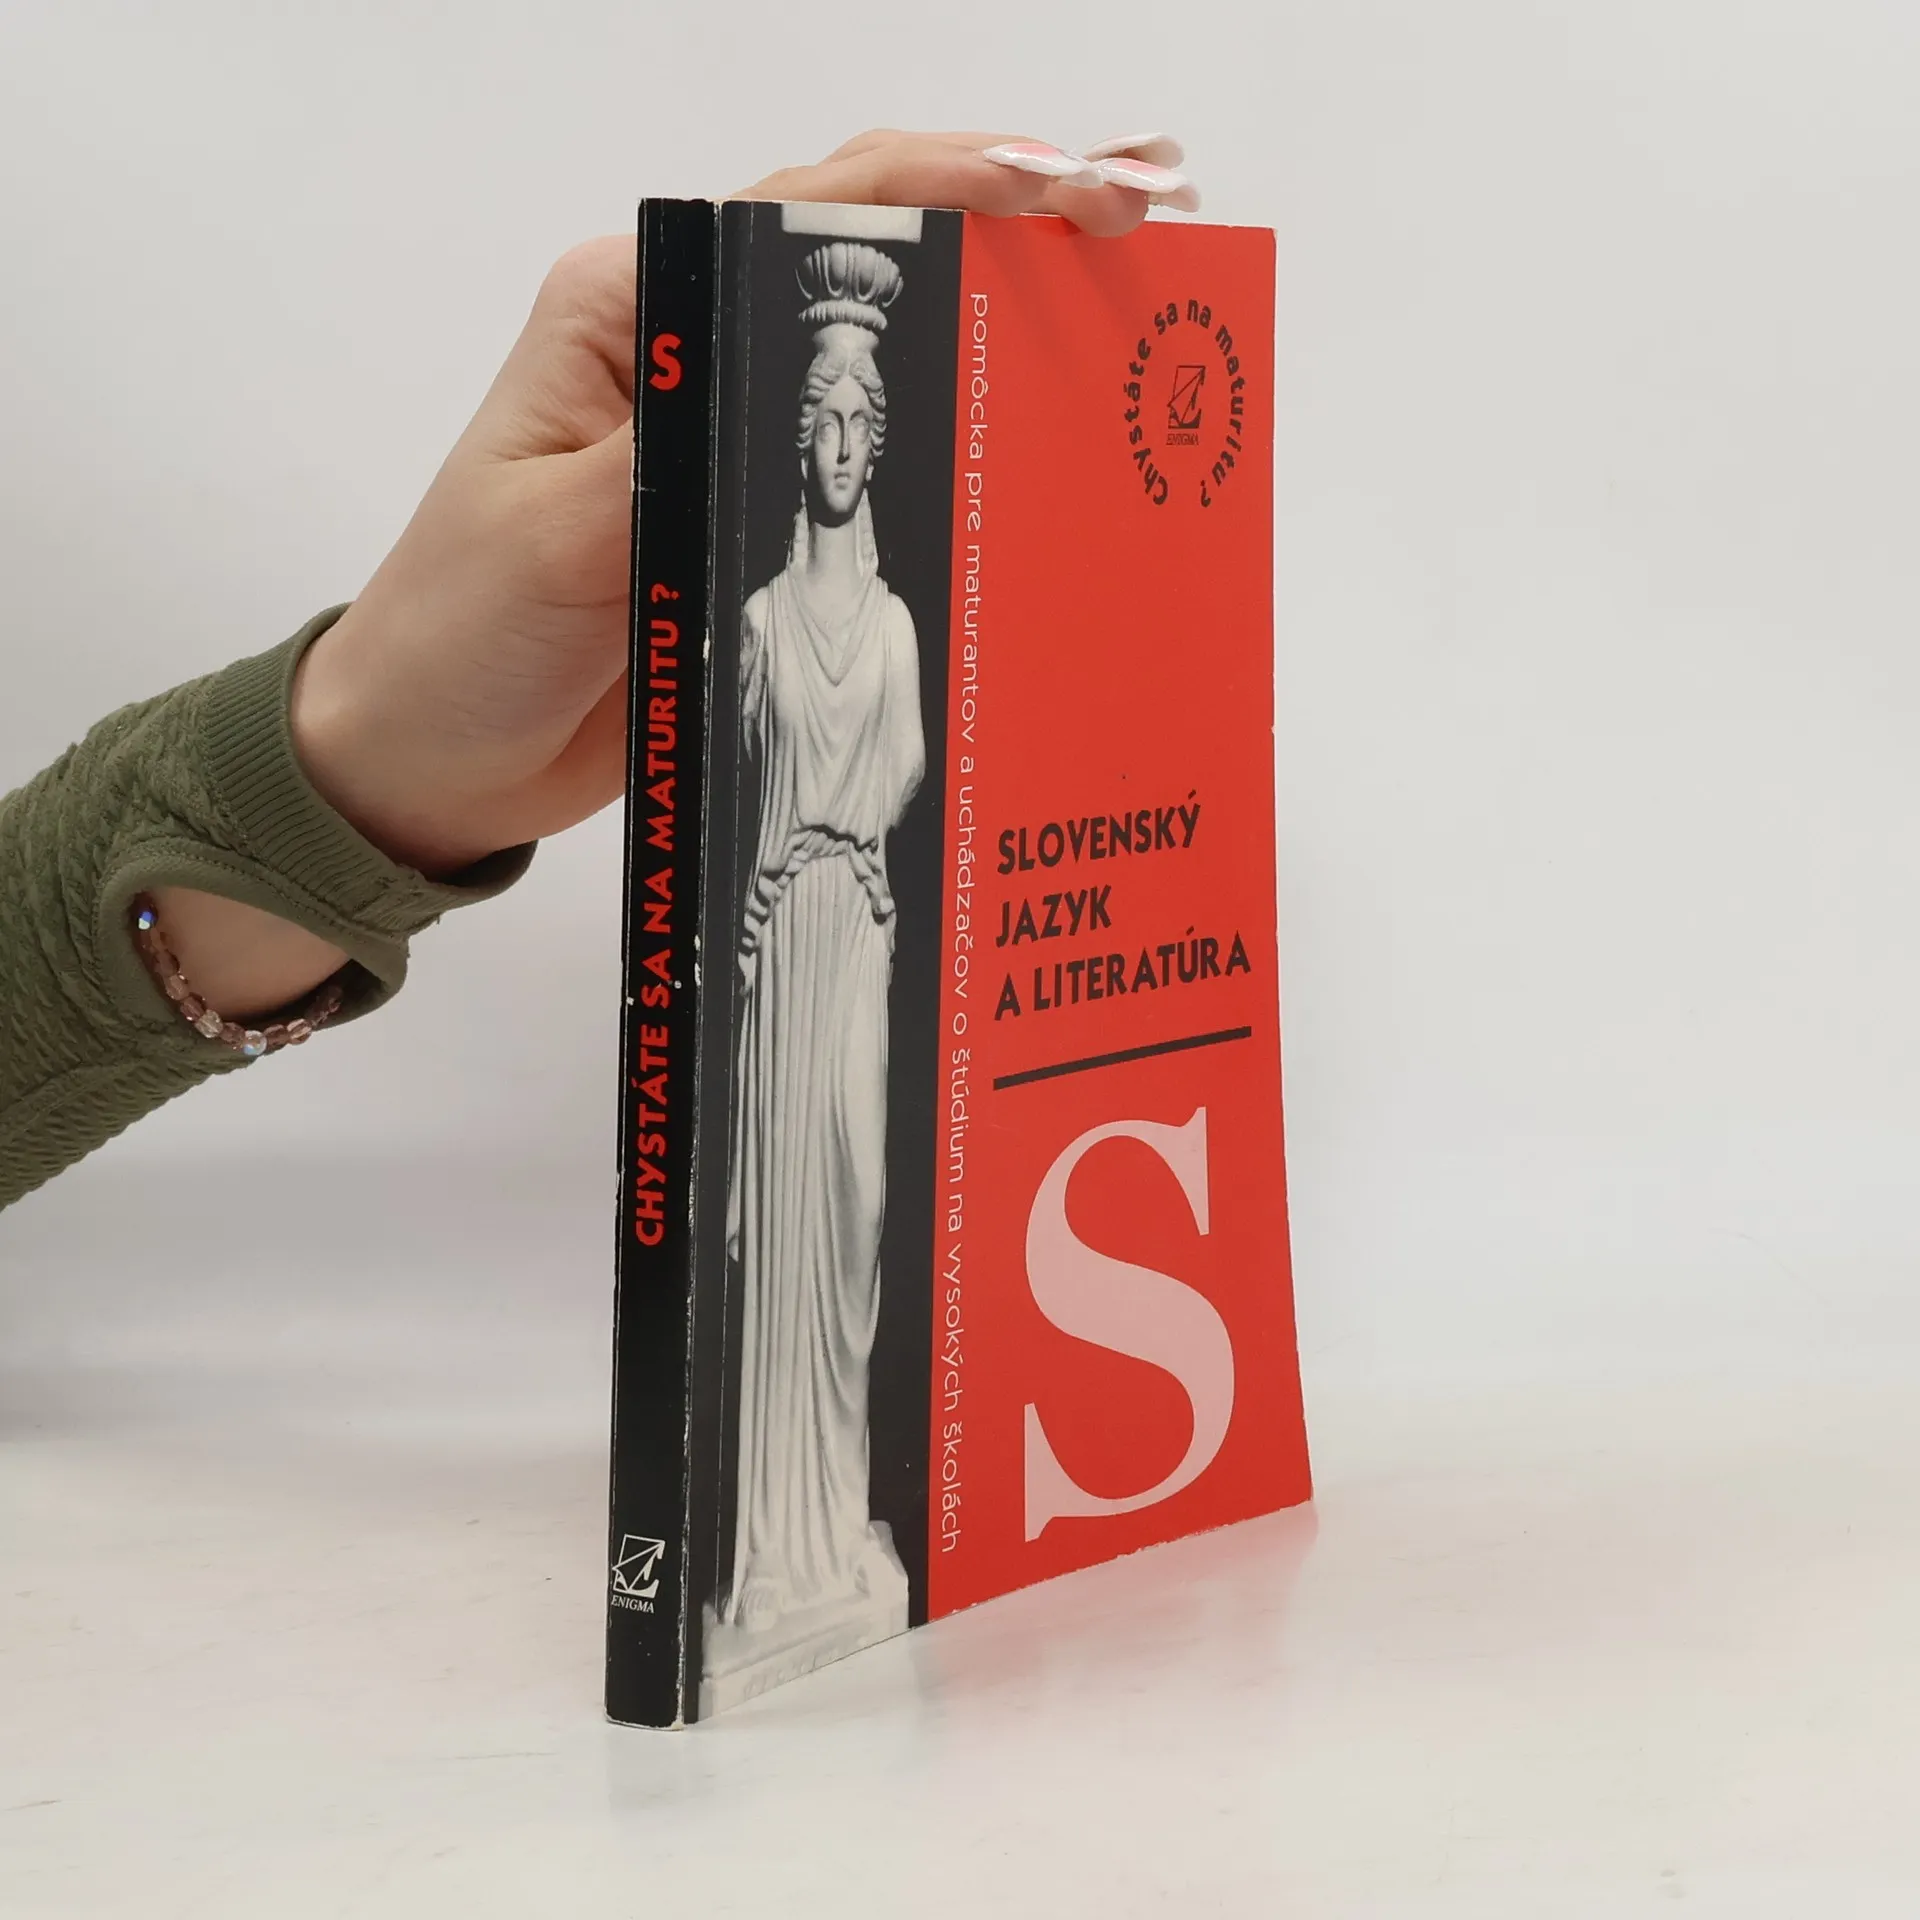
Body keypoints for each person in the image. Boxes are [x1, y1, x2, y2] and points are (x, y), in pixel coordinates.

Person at [0, 129, 1192, 1214]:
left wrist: (358, 769)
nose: (839, 446)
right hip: (781, 936)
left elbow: (914, 775)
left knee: (862, 1205)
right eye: (820, 418)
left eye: (860, 424)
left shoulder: (892, 625)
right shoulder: (763, 616)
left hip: (863, 933)